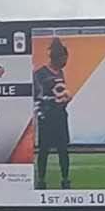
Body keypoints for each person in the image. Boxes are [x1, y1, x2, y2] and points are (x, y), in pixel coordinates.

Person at [32, 37, 73, 190]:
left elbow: (62, 92)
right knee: (44, 149)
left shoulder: (60, 72)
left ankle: (65, 178)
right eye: (63, 58)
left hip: (60, 115)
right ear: (57, 57)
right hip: (47, 115)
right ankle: (41, 179)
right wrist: (51, 100)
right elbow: (38, 95)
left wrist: (65, 99)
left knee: (63, 149)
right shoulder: (40, 73)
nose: (65, 62)